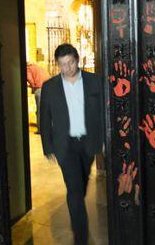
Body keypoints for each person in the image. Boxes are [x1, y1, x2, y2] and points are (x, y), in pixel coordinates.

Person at [40, 44, 104, 244]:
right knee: (75, 191)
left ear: (78, 60)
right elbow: (44, 119)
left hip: (88, 143)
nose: (66, 68)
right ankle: (80, 237)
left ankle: (77, 213)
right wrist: (47, 147)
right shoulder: (50, 87)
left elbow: (103, 114)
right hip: (65, 146)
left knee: (82, 185)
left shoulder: (95, 81)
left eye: (70, 63)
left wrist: (102, 140)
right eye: (62, 65)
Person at [26, 62, 50, 133]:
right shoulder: (41, 68)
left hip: (40, 90)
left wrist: (32, 86)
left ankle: (41, 130)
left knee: (40, 111)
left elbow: (30, 79)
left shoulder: (28, 69)